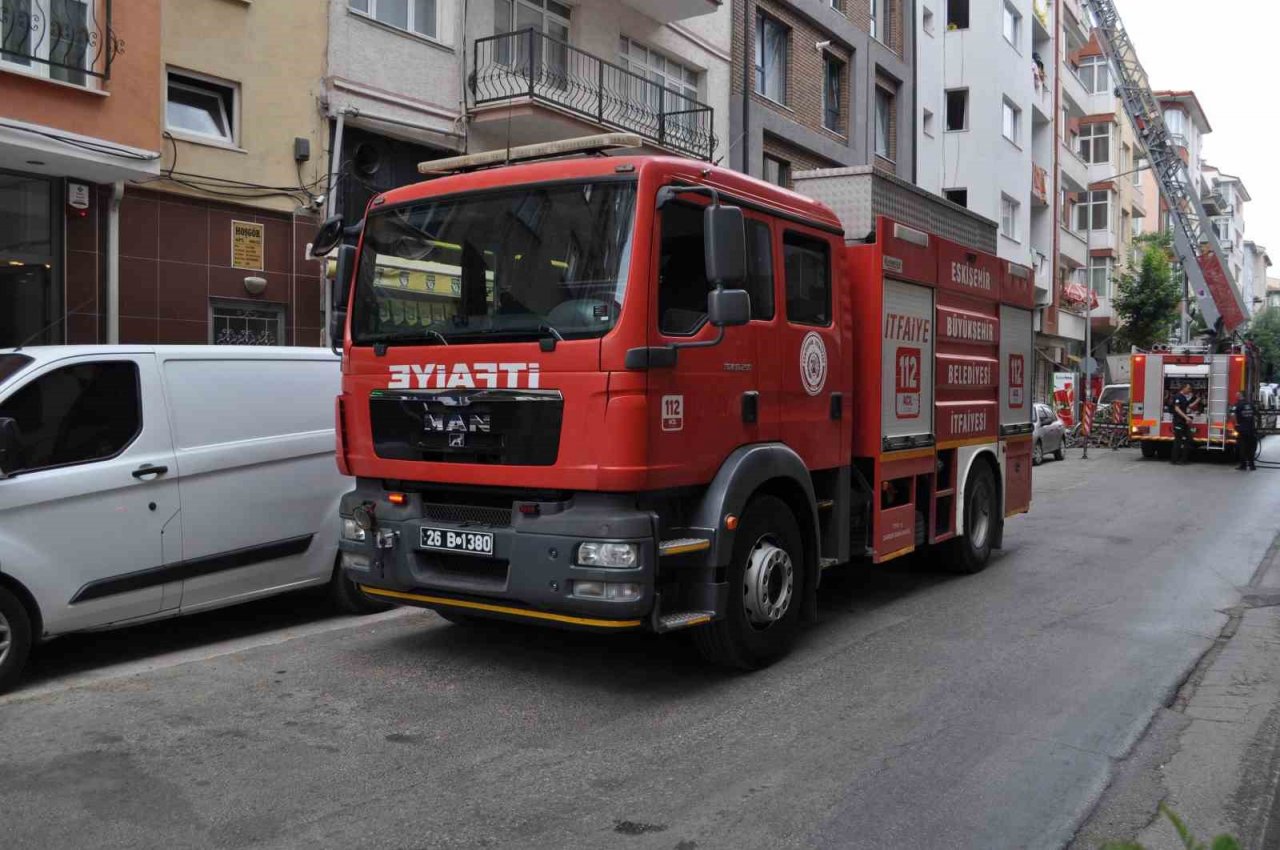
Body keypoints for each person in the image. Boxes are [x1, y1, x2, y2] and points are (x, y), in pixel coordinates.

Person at [1171, 383, 1197, 465]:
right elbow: (1177, 408)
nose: (1190, 390)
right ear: (1183, 388)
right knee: (1178, 441)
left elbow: (1189, 406)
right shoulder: (1178, 396)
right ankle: (1175, 460)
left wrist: (1198, 399)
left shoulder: (1184, 398)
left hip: (1183, 422)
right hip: (1178, 422)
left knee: (1188, 439)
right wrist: (1186, 417)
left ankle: (1183, 459)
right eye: (1188, 388)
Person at [1233, 390, 1258, 471]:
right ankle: (1252, 466)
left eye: (1237, 394)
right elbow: (1256, 415)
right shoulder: (1250, 404)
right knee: (1251, 448)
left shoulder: (1238, 405)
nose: (1236, 395)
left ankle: (1243, 465)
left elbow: (1233, 416)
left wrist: (1236, 425)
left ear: (1240, 395)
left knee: (1242, 448)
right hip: (1251, 429)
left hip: (1243, 430)